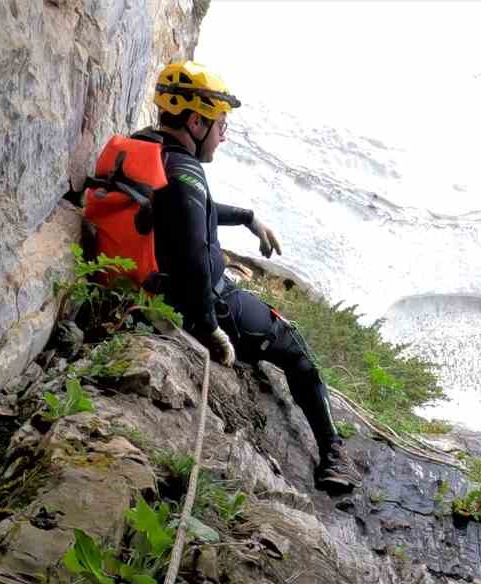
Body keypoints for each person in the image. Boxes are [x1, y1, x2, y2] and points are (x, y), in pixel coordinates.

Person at [146, 61, 357, 494]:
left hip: (147, 284)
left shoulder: (149, 151)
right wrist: (208, 328)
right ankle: (333, 453)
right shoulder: (188, 174)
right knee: (293, 346)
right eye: (220, 124)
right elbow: (192, 254)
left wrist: (246, 218)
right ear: (194, 120)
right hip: (207, 304)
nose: (223, 134)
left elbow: (190, 211)